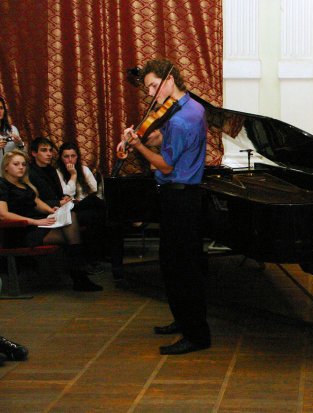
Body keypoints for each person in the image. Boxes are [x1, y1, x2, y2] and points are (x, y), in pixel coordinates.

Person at [119, 58, 210, 355]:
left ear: (170, 80)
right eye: (148, 88)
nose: (150, 93)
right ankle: (184, 320)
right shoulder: (189, 106)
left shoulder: (182, 119)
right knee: (174, 264)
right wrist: (144, 137)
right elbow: (165, 137)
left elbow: (166, 165)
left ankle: (196, 335)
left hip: (180, 198)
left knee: (182, 268)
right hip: (182, 197)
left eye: (153, 86)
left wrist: (138, 146)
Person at [0, 150, 103, 291]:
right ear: (6, 167)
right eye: (16, 164)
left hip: (36, 225)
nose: (21, 167)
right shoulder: (2, 185)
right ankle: (79, 276)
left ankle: (79, 277)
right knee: (72, 233)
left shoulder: (24, 185)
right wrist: (34, 222)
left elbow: (37, 204)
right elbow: (3, 215)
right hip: (19, 231)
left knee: (72, 218)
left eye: (23, 164)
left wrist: (52, 211)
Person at [56, 142, 107, 269]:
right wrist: (73, 175)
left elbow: (94, 189)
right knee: (96, 204)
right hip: (71, 208)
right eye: (66, 156)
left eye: (73, 156)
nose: (70, 159)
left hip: (86, 205)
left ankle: (94, 257)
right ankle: (94, 258)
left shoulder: (84, 169)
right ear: (61, 158)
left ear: (77, 157)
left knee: (96, 214)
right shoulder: (58, 172)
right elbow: (66, 193)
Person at [29, 137, 71, 208]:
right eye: (44, 150)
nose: (49, 154)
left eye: (50, 150)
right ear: (34, 153)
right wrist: (58, 203)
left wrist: (65, 197)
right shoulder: (30, 172)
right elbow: (33, 201)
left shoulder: (52, 169)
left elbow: (58, 193)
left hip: (60, 207)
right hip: (45, 211)